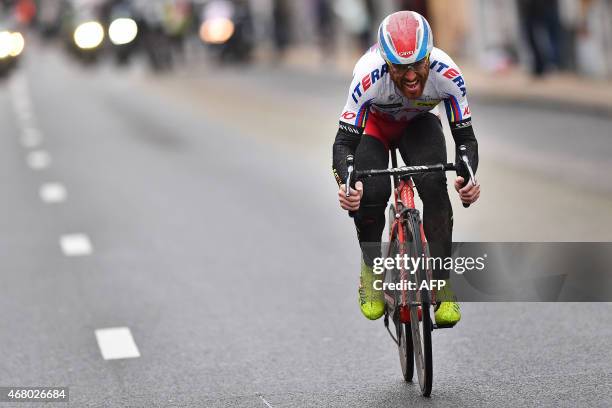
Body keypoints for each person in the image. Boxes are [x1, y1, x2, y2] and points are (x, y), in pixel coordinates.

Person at [332, 11, 480, 324]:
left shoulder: (448, 74)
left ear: (429, 57)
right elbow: (343, 144)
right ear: (386, 63)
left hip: (419, 124)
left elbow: (465, 138)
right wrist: (346, 184)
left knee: (434, 187)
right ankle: (372, 270)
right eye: (400, 68)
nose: (411, 76)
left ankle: (442, 286)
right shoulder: (367, 76)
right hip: (374, 128)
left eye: (418, 65)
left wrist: (468, 177)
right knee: (370, 191)